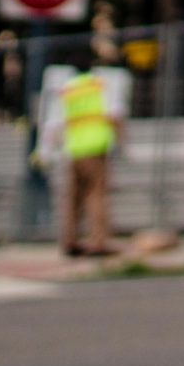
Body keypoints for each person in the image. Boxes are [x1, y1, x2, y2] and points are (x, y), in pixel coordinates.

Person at [44, 61, 126, 257]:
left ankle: (70, 241)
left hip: (74, 150)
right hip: (96, 148)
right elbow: (114, 115)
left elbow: (56, 123)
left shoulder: (68, 89)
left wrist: (50, 150)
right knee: (96, 195)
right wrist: (122, 141)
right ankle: (98, 242)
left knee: (73, 198)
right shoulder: (99, 85)